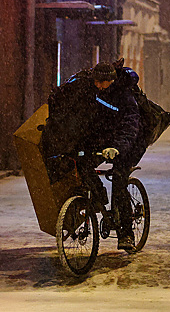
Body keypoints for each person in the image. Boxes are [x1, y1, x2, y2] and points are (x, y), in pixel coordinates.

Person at [41, 60, 145, 252]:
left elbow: (130, 126)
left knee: (119, 181)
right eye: (95, 81)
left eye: (101, 82)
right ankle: (97, 197)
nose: (97, 85)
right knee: (81, 165)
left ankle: (126, 233)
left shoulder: (124, 97)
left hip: (124, 144)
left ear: (111, 81)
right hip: (101, 141)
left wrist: (117, 147)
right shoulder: (92, 91)